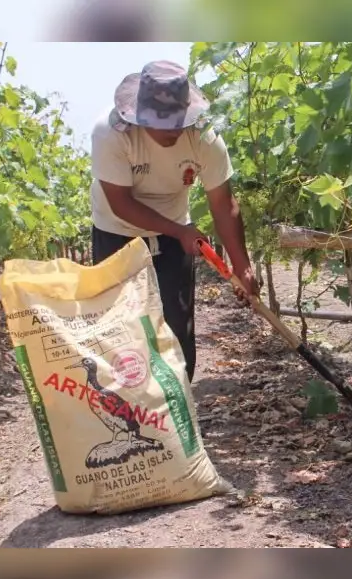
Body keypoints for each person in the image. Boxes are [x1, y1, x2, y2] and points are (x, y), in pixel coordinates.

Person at [89, 60, 260, 382]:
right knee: (120, 324)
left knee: (176, 321)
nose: (170, 129)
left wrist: (243, 266)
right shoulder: (111, 133)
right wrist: (179, 230)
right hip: (116, 230)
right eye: (160, 122)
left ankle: (178, 404)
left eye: (176, 121)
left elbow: (223, 204)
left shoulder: (205, 139)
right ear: (138, 115)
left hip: (174, 231)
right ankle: (129, 409)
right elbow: (120, 203)